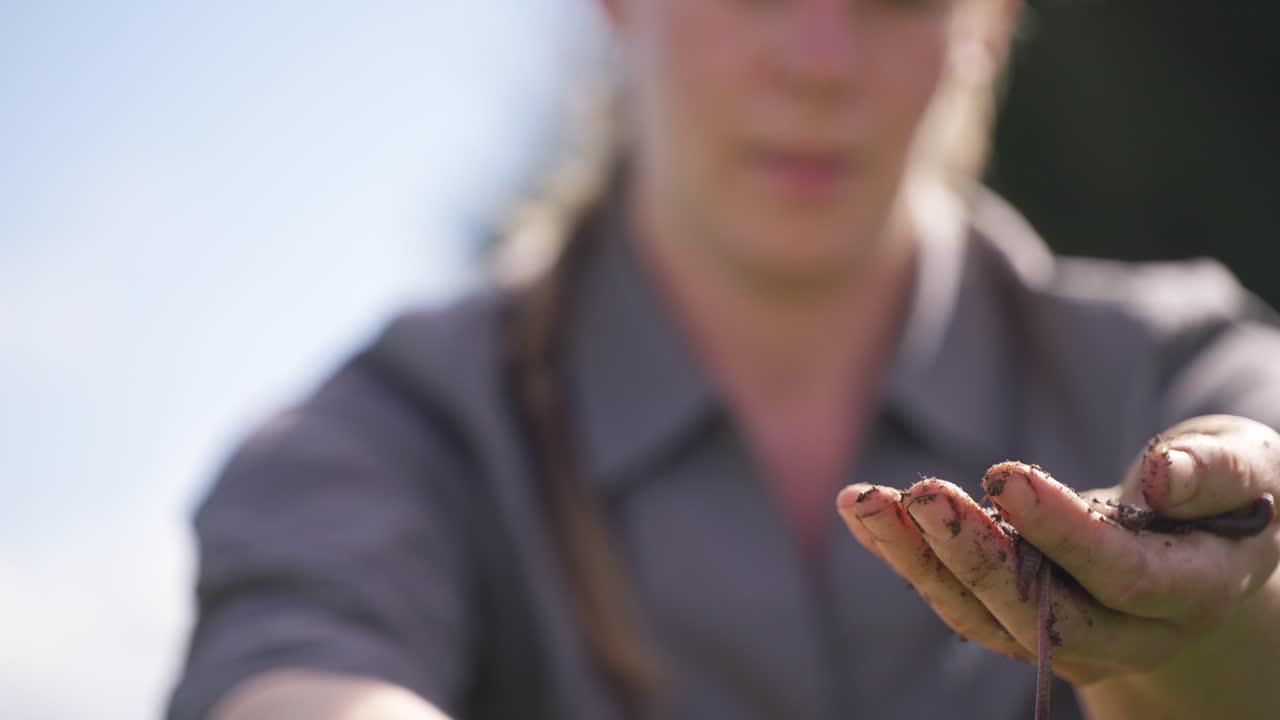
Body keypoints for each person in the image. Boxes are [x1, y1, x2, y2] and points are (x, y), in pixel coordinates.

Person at [167, 0, 1280, 718]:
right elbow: (298, 673)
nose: (815, 63)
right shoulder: (398, 434)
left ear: (987, 19)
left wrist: (1193, 629)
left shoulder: (1177, 370)